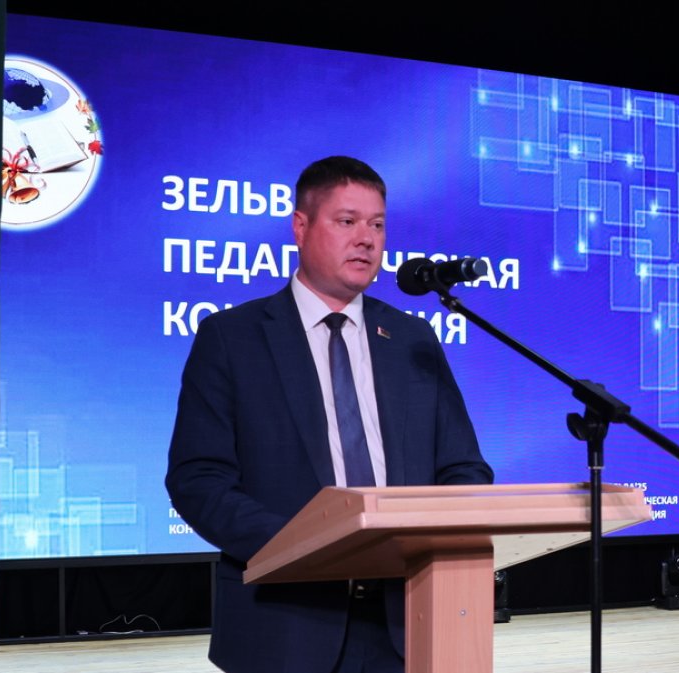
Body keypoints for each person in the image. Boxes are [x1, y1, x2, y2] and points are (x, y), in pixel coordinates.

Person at [165, 155, 494, 673]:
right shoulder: (232, 338)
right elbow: (199, 480)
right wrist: (309, 546)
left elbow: (464, 467)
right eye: (347, 221)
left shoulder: (413, 339)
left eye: (377, 225)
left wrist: (436, 537)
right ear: (300, 227)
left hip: (408, 622)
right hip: (286, 623)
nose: (366, 239)